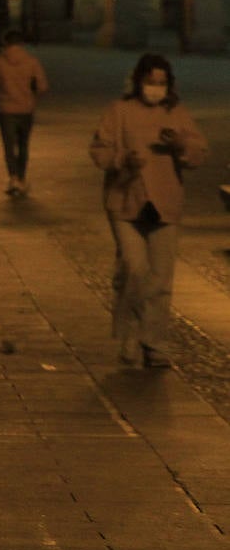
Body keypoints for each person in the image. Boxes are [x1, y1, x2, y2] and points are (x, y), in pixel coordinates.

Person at [89, 54, 208, 368]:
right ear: (138, 81)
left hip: (165, 203)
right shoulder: (120, 111)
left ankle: (153, 342)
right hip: (126, 201)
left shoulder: (177, 113)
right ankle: (129, 332)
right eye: (150, 82)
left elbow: (198, 154)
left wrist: (180, 143)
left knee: (160, 277)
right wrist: (122, 160)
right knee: (134, 267)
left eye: (161, 83)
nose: (155, 89)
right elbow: (99, 150)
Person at [0, 30, 50, 195]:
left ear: (5, 43)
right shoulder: (32, 62)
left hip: (5, 108)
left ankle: (12, 178)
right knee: (23, 144)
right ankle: (22, 177)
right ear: (21, 44)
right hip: (26, 108)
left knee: (8, 145)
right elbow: (42, 86)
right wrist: (31, 94)